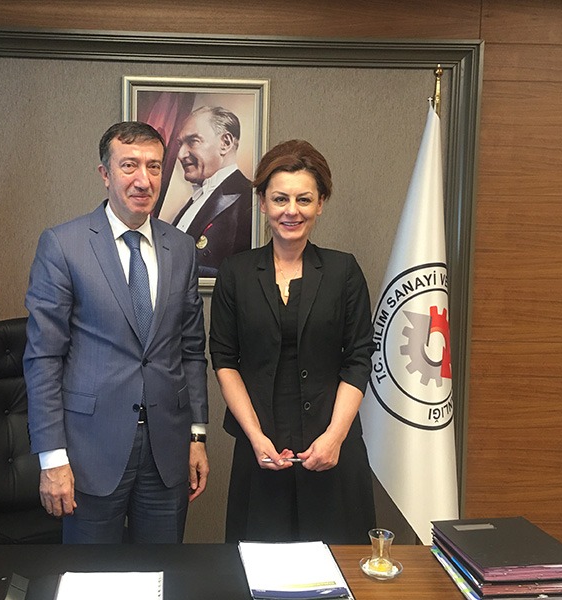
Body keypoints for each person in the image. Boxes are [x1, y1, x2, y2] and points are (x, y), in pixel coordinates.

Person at [23, 121, 209, 544]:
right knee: (92, 575)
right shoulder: (64, 245)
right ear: (105, 174)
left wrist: (197, 435)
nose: (144, 180)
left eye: (154, 167)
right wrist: (52, 457)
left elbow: (192, 350)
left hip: (167, 451)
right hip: (89, 453)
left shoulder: (181, 248)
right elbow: (43, 358)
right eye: (129, 166)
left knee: (161, 570)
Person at [209, 139, 376, 544]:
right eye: (280, 198)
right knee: (263, 567)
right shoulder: (235, 272)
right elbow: (225, 359)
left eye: (304, 199)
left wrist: (334, 437)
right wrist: (255, 438)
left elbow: (358, 358)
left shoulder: (343, 271)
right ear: (263, 203)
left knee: (337, 566)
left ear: (321, 204)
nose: (292, 210)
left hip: (332, 449)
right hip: (262, 450)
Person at [172, 106, 253, 277]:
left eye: (193, 141)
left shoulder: (250, 199)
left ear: (225, 143)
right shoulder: (197, 198)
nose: (180, 154)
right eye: (180, 144)